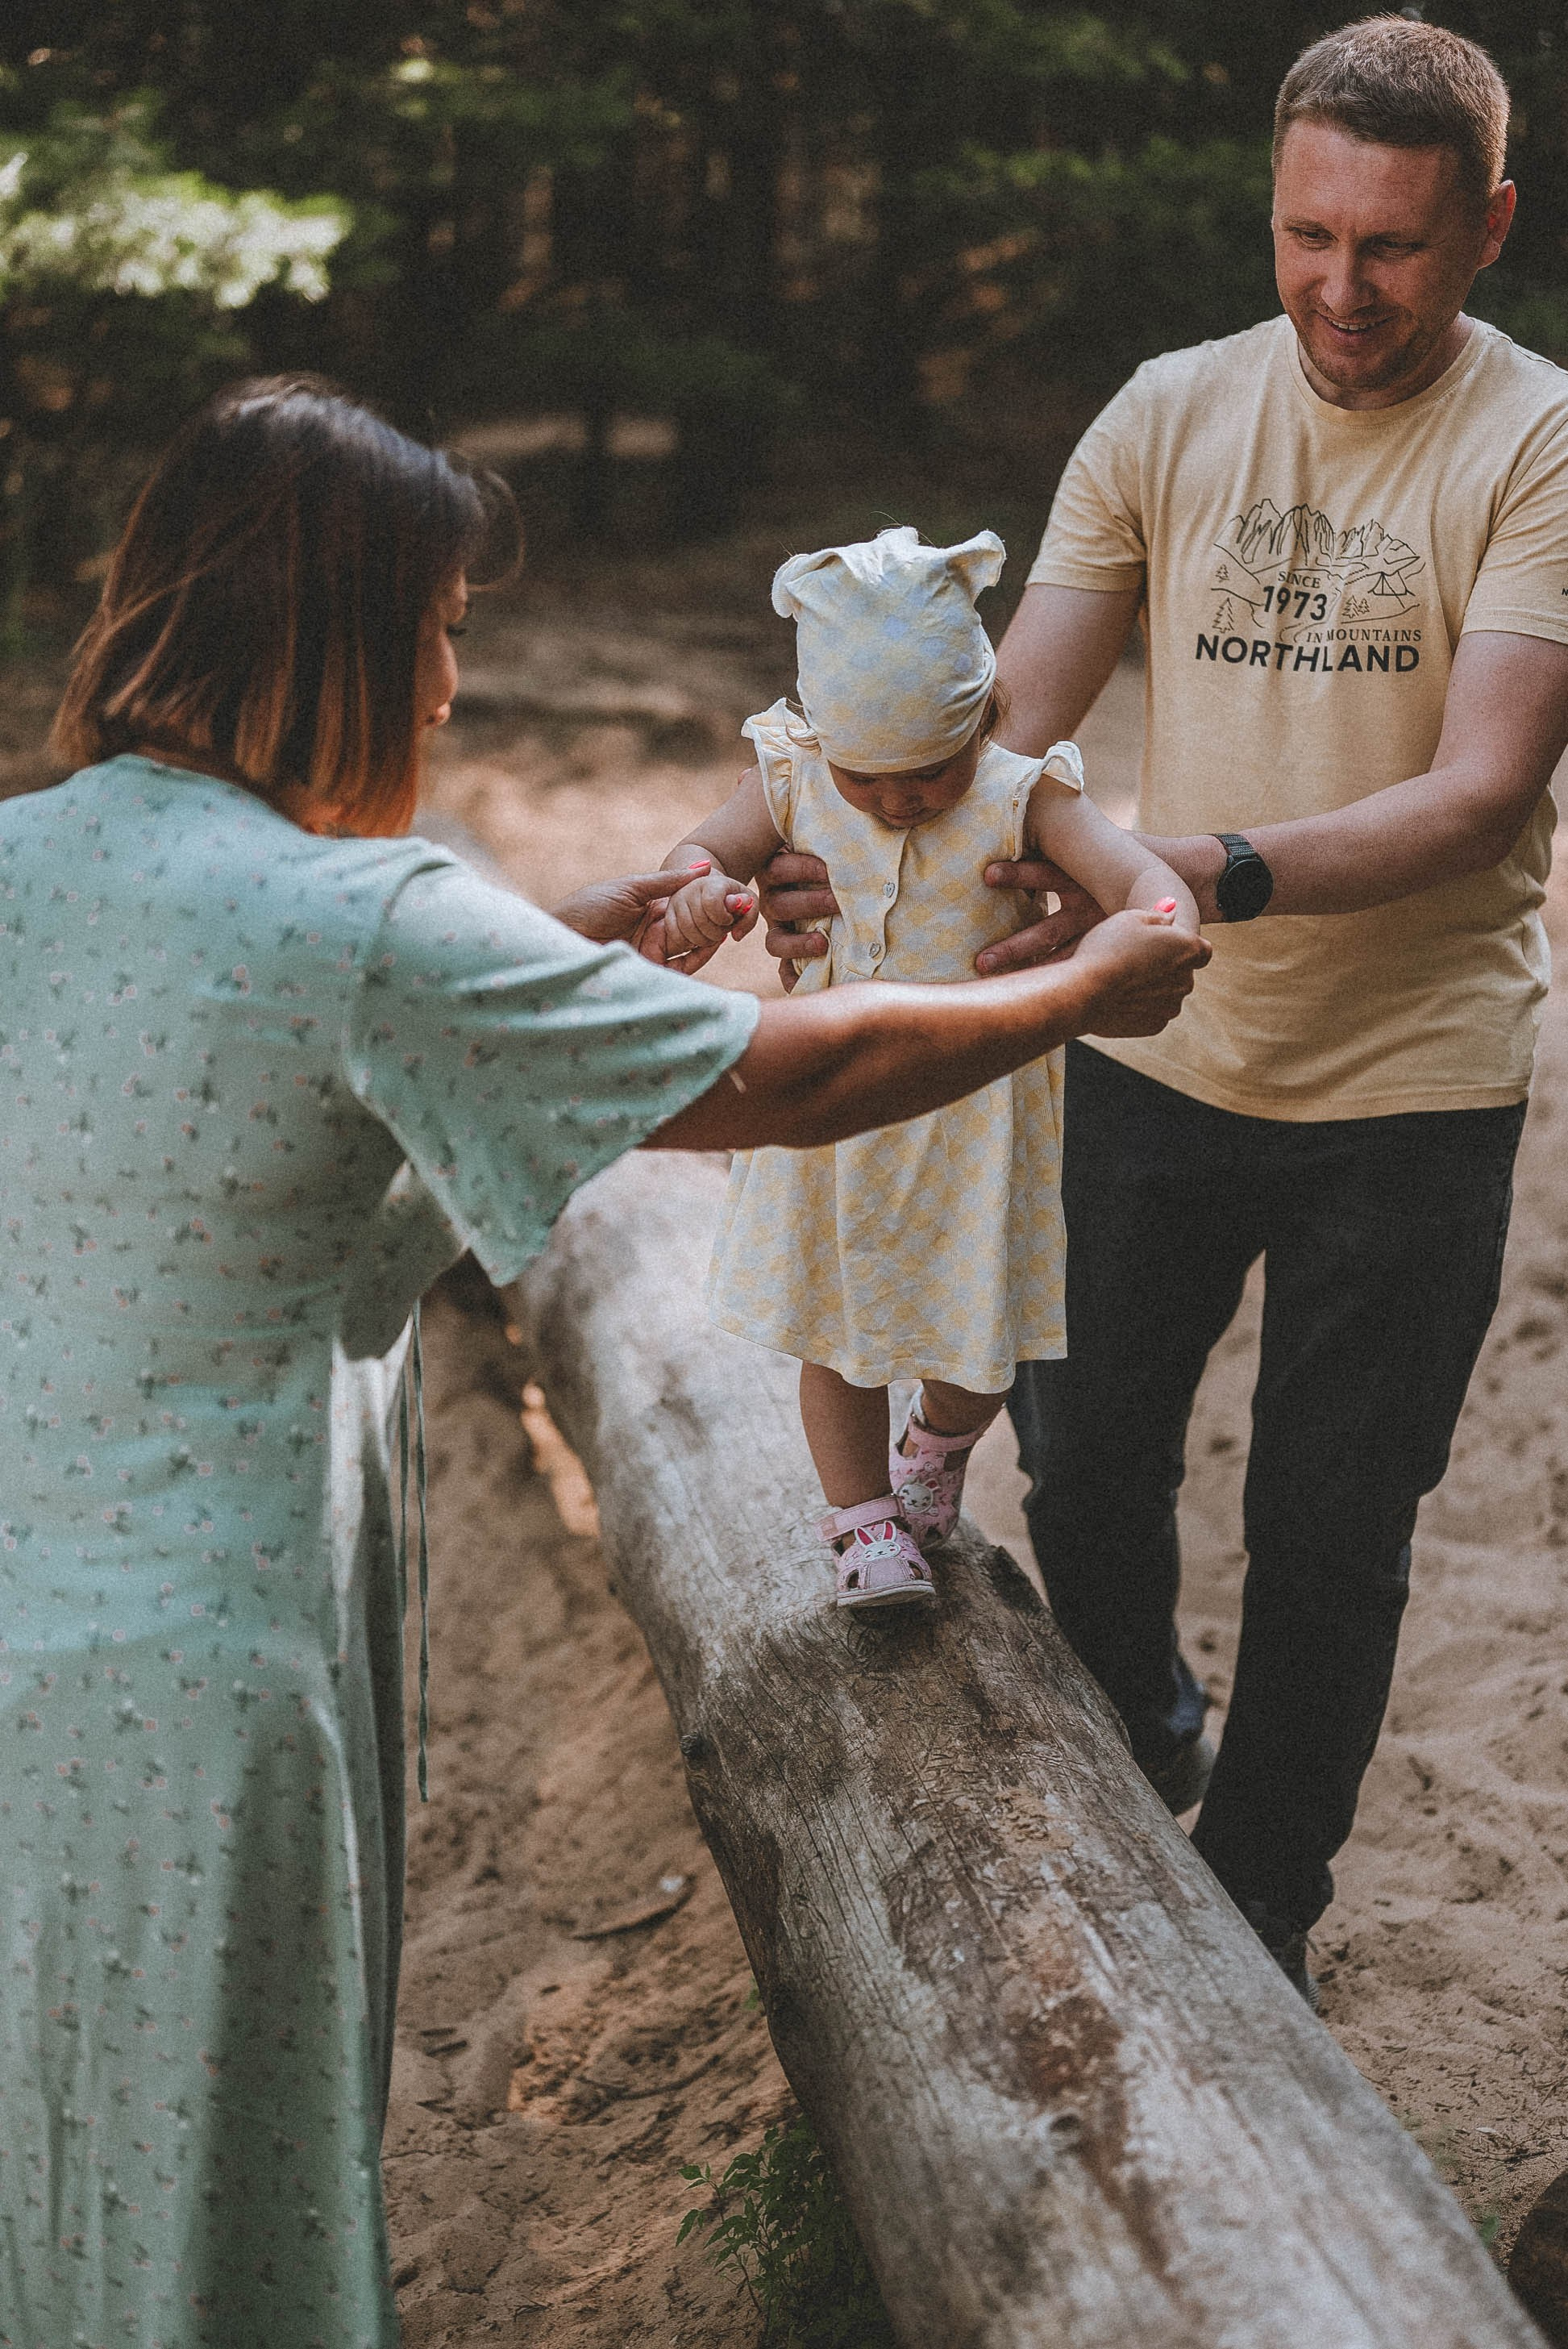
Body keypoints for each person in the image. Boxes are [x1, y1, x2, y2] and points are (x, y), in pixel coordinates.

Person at [0, 376, 1204, 2347]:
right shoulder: (367, 917)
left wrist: (576, 949)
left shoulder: (26, 858)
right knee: (203, 2187)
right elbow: (790, 1077)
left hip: (24, 1640)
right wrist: (1080, 984)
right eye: (435, 631)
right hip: (196, 1693)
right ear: (335, 636)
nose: (449, 687)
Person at [756, 17, 1568, 2001]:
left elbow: (1478, 794)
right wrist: (847, 843)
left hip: (1413, 1081)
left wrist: (1173, 870)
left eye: (1390, 245)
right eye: (1306, 235)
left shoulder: (1538, 442)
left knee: (1330, 1526)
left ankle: (1263, 1897)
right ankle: (1148, 1722)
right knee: (1081, 1461)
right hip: (1146, 1049)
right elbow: (1003, 726)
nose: (1338, 287)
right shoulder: (1166, 412)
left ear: (1487, 228)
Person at [651, 526, 1200, 1609]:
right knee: (838, 1331)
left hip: (977, 1114)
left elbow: (1144, 882)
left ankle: (935, 1449)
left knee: (980, 1341)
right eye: (867, 778)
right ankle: (862, 1522)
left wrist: (1149, 925)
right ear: (824, 741)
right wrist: (697, 892)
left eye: (930, 772)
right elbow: (699, 853)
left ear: (985, 717)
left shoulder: (1021, 793)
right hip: (839, 1107)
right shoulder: (793, 778)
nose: (899, 801)